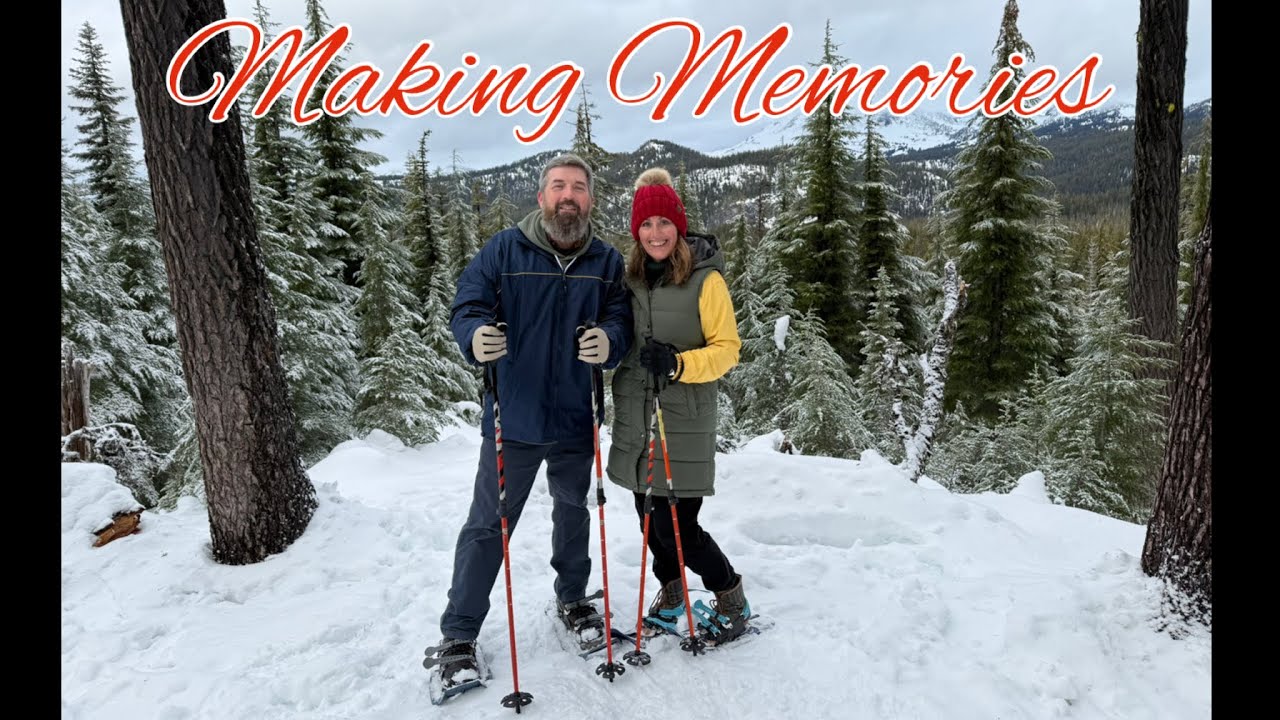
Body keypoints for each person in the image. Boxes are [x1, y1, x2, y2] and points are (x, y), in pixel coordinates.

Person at [430, 153, 633, 687]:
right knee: (487, 526)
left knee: (574, 514)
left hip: (573, 418)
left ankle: (573, 601)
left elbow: (621, 319)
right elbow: (467, 303)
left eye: (579, 188)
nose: (569, 196)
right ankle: (459, 635)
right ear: (541, 196)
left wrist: (609, 341)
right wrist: (473, 335)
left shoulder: (607, 261)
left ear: (590, 199)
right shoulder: (504, 249)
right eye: (559, 186)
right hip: (513, 419)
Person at [604, 167, 750, 645]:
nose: (656, 233)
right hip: (637, 417)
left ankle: (730, 595)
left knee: (677, 527)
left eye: (664, 223)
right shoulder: (630, 279)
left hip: (682, 417)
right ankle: (671, 594)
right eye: (646, 225)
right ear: (636, 231)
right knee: (650, 521)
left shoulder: (706, 281)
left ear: (679, 226)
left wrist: (679, 363)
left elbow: (728, 348)